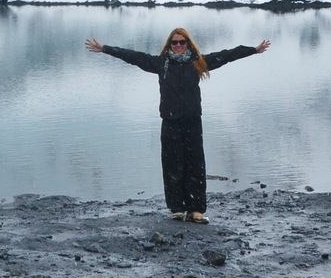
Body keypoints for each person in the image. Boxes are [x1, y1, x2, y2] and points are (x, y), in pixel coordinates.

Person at [85, 28, 270, 224]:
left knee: (195, 166)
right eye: (175, 42)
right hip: (170, 122)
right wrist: (105, 48)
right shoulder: (160, 63)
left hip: (192, 121)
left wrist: (253, 50)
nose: (179, 45)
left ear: (188, 44)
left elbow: (227, 55)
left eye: (182, 42)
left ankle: (196, 210)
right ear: (169, 45)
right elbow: (133, 56)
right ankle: (177, 208)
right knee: (172, 165)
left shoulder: (198, 62)